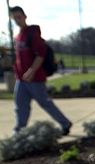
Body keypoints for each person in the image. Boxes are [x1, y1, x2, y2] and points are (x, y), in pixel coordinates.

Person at [10, 6, 72, 135]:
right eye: (14, 18)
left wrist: (31, 71)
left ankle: (65, 123)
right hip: (21, 79)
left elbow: (40, 55)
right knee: (20, 106)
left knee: (45, 103)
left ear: (25, 16)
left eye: (19, 17)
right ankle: (19, 132)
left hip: (35, 79)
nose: (17, 20)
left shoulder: (32, 34)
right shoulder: (18, 37)